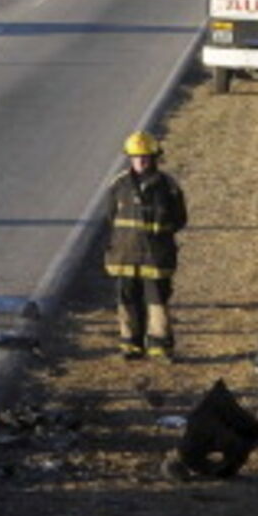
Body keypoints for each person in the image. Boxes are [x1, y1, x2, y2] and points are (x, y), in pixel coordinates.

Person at [104, 131, 187, 360]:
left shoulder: (168, 187)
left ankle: (159, 346)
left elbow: (180, 219)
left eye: (145, 156)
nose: (141, 161)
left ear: (154, 157)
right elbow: (111, 217)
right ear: (130, 158)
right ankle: (131, 345)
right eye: (136, 156)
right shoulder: (119, 185)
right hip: (125, 255)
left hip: (155, 257)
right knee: (127, 300)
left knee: (157, 302)